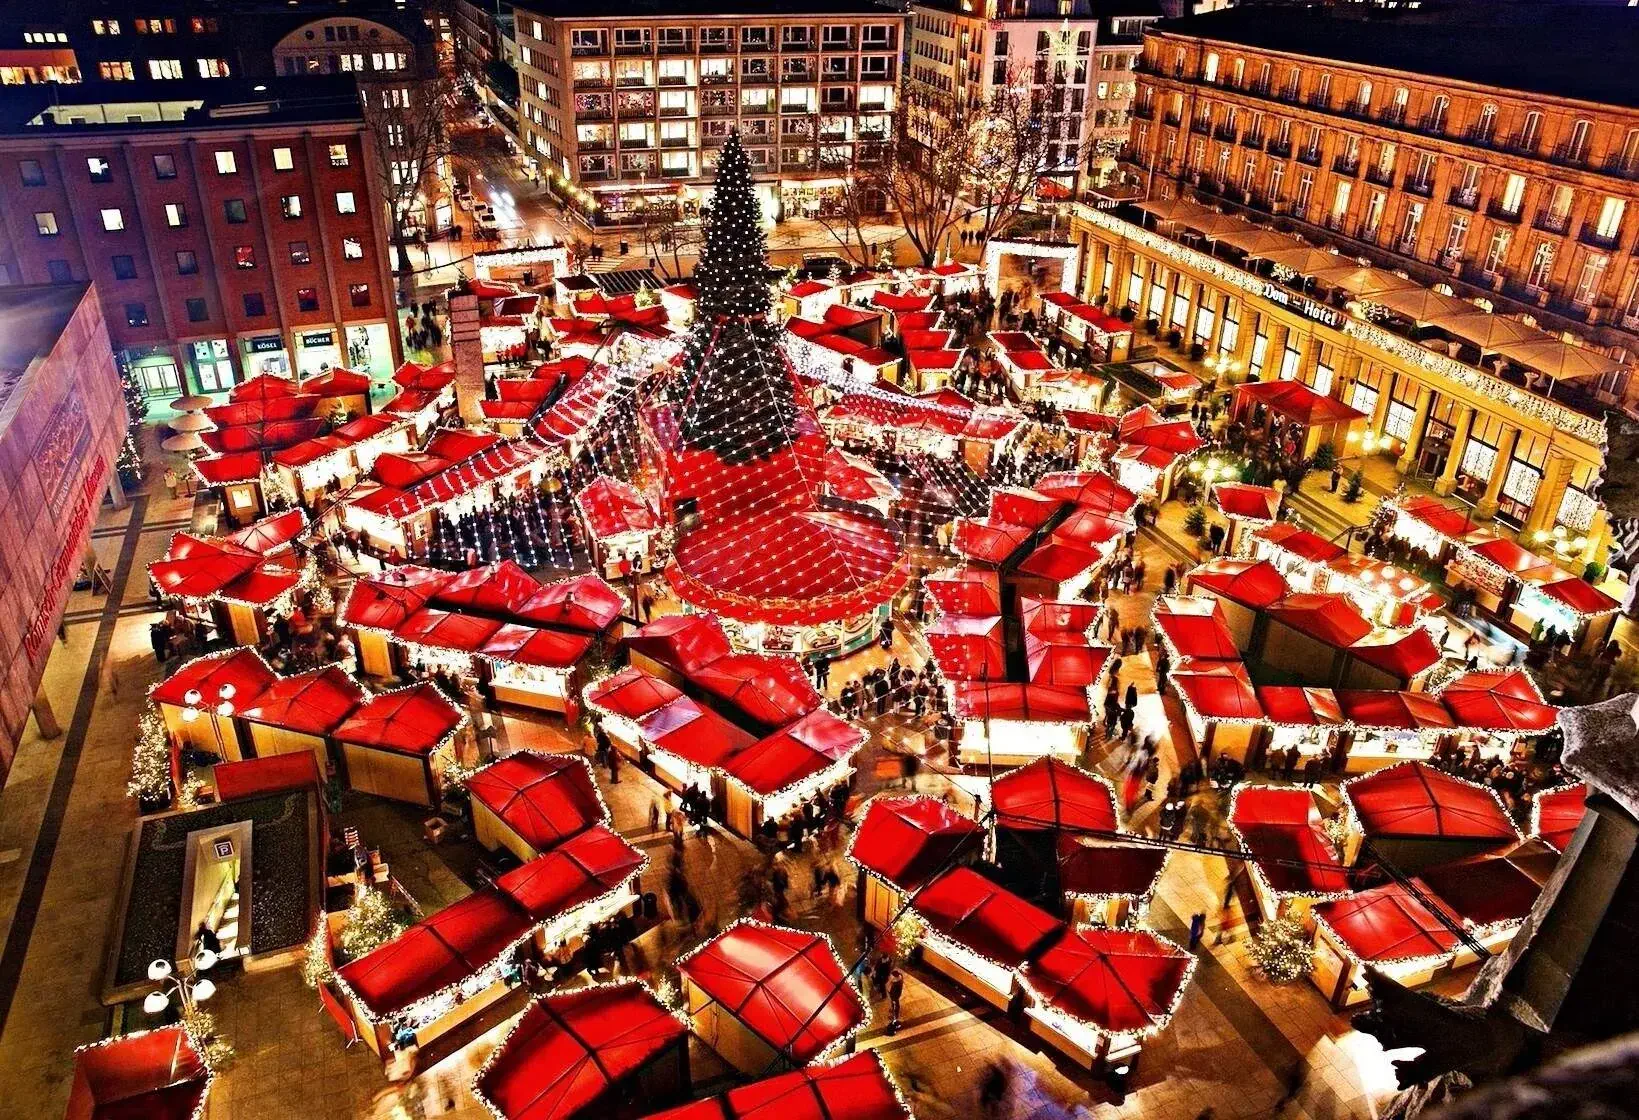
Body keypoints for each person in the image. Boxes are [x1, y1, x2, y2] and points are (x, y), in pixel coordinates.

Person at [887, 966, 905, 1033]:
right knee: (894, 1004)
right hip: (894, 995)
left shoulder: (896, 983)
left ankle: (895, 1016)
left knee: (895, 1005)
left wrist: (893, 997)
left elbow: (894, 991)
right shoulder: (900, 977)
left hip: (895, 996)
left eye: (892, 976)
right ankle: (894, 1011)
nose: (891, 977)